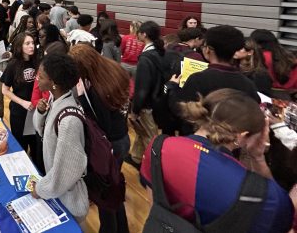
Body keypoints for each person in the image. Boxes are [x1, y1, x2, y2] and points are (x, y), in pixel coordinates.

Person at [140, 89, 294, 233]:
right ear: (242, 135)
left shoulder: (159, 146)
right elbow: (282, 212)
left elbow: (154, 203)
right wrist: (258, 158)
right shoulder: (257, 191)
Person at [69, 44, 130, 233]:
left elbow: (101, 125)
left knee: (105, 196)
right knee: (114, 189)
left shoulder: (96, 89)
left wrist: (83, 100)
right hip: (123, 138)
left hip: (111, 145)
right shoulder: (113, 70)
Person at [32, 53, 89, 224]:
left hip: (69, 203)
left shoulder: (69, 121)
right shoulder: (54, 98)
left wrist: (40, 189)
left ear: (54, 83)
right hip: (57, 192)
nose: (37, 79)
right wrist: (41, 112)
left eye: (41, 76)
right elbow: (41, 130)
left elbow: (66, 171)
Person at [127, 21, 166, 169]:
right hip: (157, 100)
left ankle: (153, 168)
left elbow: (142, 88)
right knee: (141, 131)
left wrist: (135, 110)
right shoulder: (160, 52)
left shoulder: (146, 58)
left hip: (147, 104)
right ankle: (136, 158)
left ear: (144, 34)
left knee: (150, 136)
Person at [1, 33, 38, 157]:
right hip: (19, 112)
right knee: (20, 144)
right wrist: (22, 102)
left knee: (35, 144)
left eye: (32, 43)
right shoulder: (13, 65)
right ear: (20, 46)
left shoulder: (37, 61)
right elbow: (5, 90)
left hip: (36, 111)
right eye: (27, 44)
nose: (31, 46)